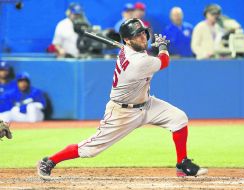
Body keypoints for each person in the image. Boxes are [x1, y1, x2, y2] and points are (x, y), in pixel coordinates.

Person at [37, 18, 208, 179]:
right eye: (137, 35)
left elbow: (144, 53)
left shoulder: (132, 50)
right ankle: (49, 161)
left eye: (143, 33)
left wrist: (145, 46)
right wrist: (163, 46)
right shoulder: (139, 62)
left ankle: (182, 163)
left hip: (146, 104)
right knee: (90, 149)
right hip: (122, 113)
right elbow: (164, 61)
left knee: (178, 118)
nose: (142, 37)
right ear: (127, 40)